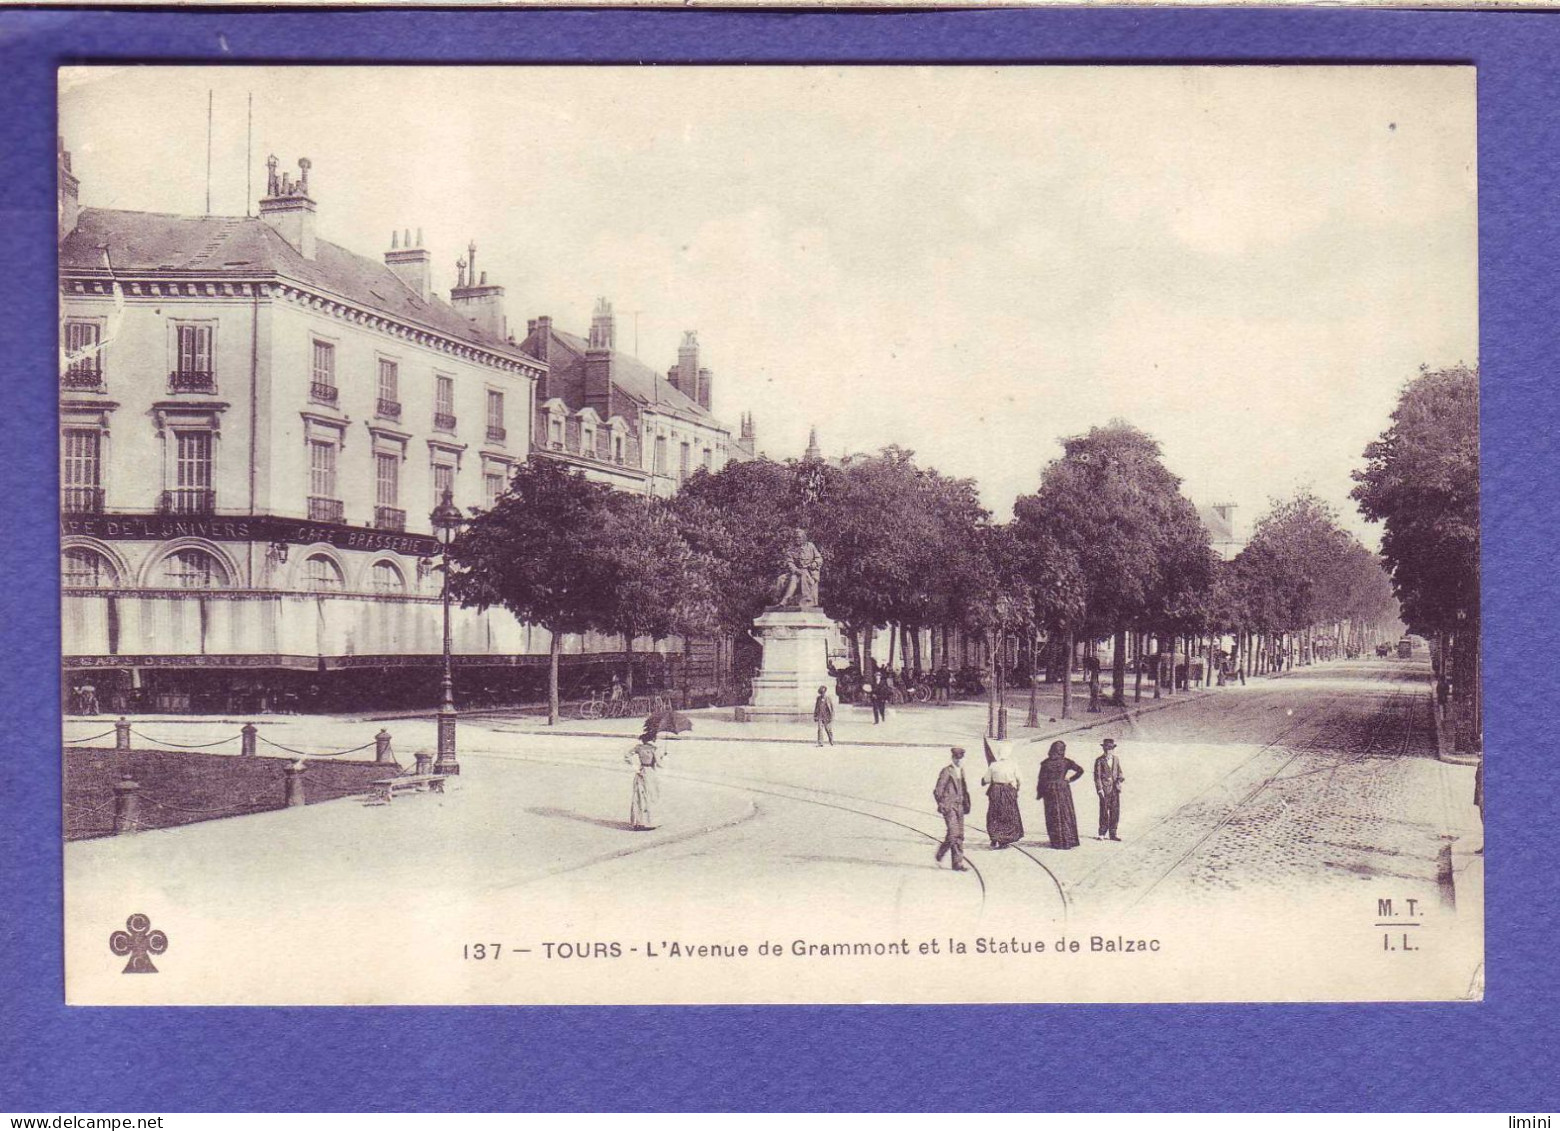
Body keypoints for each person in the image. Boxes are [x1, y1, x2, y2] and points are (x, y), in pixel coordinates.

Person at [1036, 739, 1084, 849]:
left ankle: (1056, 841)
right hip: (1063, 789)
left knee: (1053, 815)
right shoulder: (1066, 762)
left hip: (1050, 790)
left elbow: (1041, 780)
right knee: (1065, 814)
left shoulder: (1046, 763)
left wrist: (1040, 793)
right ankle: (1068, 840)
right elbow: (1080, 770)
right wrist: (1070, 779)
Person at [981, 737, 1024, 849]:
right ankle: (1004, 838)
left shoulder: (993, 765)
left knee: (993, 814)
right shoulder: (1013, 764)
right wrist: (1016, 790)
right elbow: (1020, 779)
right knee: (1008, 814)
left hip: (995, 791)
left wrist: (983, 781)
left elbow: (986, 779)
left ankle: (994, 837)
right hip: (1008, 791)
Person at [933, 746, 972, 871]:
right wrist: (943, 803)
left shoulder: (962, 771)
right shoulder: (946, 771)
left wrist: (966, 803)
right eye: (957, 758)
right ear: (953, 758)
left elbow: (964, 789)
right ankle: (945, 855)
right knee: (954, 833)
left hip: (960, 806)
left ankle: (956, 863)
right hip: (950, 807)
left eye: (961, 759)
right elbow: (938, 790)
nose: (959, 761)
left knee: (958, 834)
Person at [625, 730, 663, 830]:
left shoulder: (639, 747)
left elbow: (627, 756)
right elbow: (659, 764)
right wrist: (663, 756)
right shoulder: (654, 749)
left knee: (639, 796)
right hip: (650, 773)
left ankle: (639, 822)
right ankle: (649, 822)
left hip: (641, 771)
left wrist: (635, 768)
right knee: (651, 796)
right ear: (653, 739)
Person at [1093, 737, 1124, 841]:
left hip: (1115, 789)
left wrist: (1120, 779)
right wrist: (1100, 789)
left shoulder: (1116, 759)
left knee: (1115, 811)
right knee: (1103, 811)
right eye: (1106, 749)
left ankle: (1113, 833)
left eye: (1110, 749)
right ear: (1103, 749)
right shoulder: (1099, 760)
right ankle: (1102, 833)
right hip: (1105, 790)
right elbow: (1097, 776)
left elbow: (1119, 771)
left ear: (1113, 749)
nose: (1108, 751)